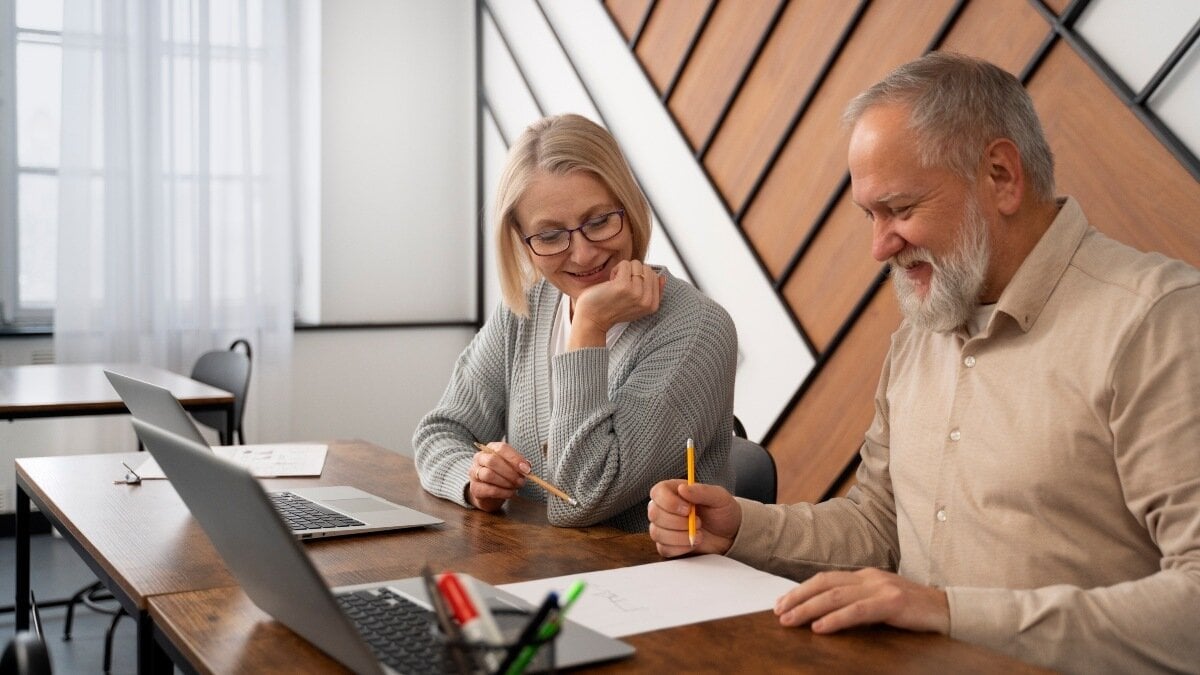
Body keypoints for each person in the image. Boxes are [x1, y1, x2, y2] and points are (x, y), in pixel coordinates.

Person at [647, 52, 1200, 672]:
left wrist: (948, 612)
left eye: (901, 210)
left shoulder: (1160, 322)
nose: (879, 245)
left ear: (1001, 176)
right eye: (870, 216)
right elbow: (881, 525)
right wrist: (743, 529)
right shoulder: (923, 328)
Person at [415, 113, 737, 532]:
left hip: (649, 581)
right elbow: (440, 431)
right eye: (550, 236)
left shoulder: (696, 330)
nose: (583, 255)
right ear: (521, 241)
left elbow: (580, 499)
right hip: (538, 570)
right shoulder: (527, 309)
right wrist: (474, 478)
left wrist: (588, 327)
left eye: (600, 221)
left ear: (631, 207)